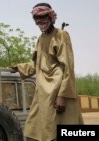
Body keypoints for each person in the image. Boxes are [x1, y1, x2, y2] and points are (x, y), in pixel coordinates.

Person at [10, 3, 84, 141]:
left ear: (51, 17)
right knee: (33, 130)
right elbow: (36, 64)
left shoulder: (61, 35)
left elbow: (68, 66)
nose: (40, 21)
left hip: (57, 91)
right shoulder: (41, 38)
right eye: (36, 18)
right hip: (43, 93)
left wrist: (62, 95)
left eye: (43, 16)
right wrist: (19, 67)